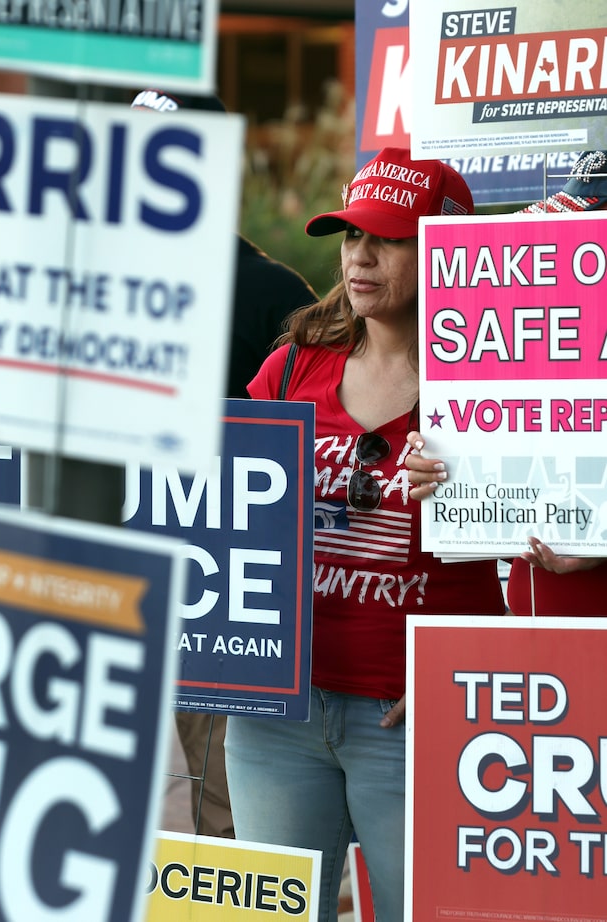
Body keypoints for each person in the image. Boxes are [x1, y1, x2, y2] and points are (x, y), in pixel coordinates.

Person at [223, 147, 506, 922]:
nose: (360, 256)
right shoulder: (289, 369)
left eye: (388, 238)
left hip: (418, 717)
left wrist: (483, 482)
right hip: (280, 714)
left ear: (446, 251)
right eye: (350, 237)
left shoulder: (500, 386)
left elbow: (550, 548)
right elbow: (221, 509)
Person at [132, 87, 319, 837]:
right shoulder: (89, 283)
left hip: (219, 599)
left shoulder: (273, 296)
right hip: (101, 574)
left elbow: (321, 447)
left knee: (224, 809)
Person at [406, 148, 607, 617]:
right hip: (539, 647)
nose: (562, 256)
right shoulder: (537, 345)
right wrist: (455, 477)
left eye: (588, 238)